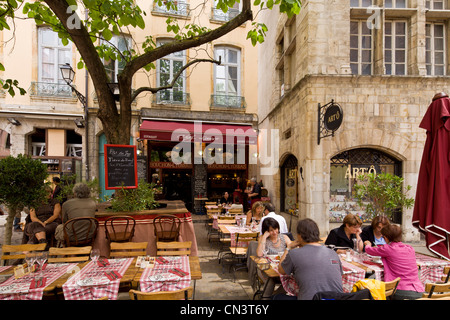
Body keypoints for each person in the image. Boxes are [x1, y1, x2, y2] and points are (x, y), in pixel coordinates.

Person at [276, 218, 344, 300]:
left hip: (311, 298)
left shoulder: (294, 254)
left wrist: (289, 247)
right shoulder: (333, 253)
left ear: (299, 236)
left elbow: (281, 270)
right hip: (336, 298)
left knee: (276, 297)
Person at [365, 224, 424, 300]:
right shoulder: (410, 248)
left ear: (386, 238)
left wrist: (368, 245)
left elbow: (369, 250)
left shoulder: (388, 249)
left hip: (399, 290)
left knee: (373, 293)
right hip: (418, 290)